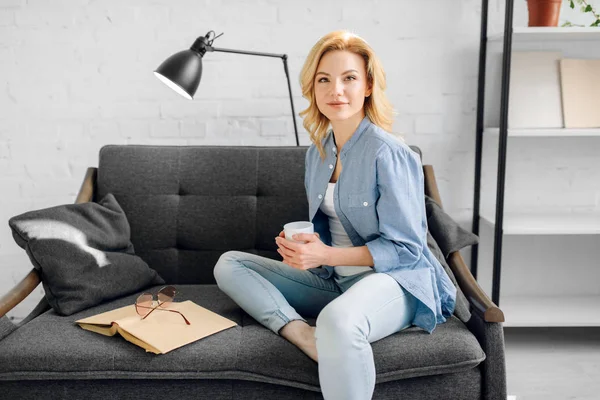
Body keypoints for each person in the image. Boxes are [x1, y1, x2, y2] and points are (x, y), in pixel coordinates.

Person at [213, 30, 457, 400]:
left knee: (337, 322)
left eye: (349, 78)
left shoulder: (389, 153)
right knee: (230, 264)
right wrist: (307, 248)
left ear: (369, 85)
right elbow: (331, 229)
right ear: (312, 87)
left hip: (395, 283)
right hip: (334, 280)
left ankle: (327, 332)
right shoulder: (318, 153)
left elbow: (407, 250)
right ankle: (303, 335)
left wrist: (325, 254)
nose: (335, 90)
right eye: (324, 79)